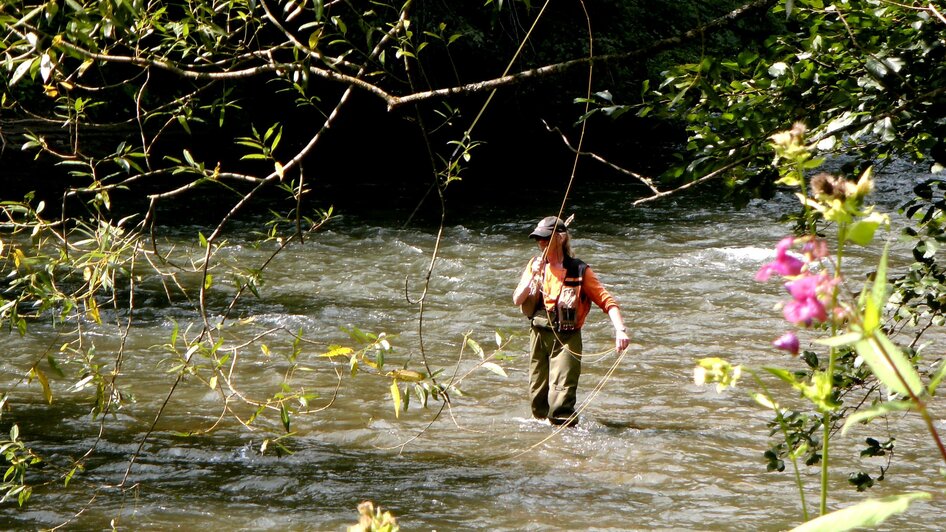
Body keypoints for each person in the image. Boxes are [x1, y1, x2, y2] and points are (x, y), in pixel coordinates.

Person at [512, 216, 631, 426]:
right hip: (538, 335)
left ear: (560, 238)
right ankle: (545, 440)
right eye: (538, 239)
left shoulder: (580, 270)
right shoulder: (535, 265)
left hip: (567, 340)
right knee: (537, 400)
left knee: (561, 400)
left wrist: (620, 330)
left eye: (545, 238)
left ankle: (567, 436)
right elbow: (517, 300)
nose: (540, 243)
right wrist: (533, 276)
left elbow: (607, 302)